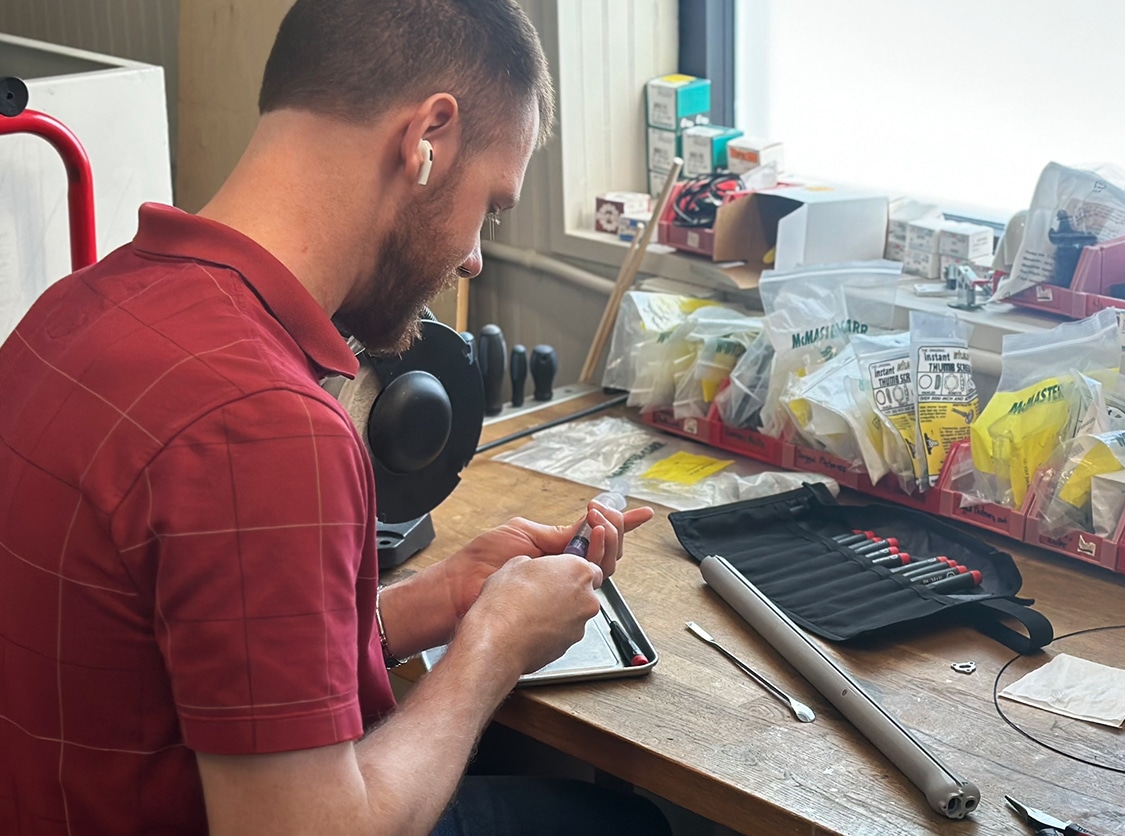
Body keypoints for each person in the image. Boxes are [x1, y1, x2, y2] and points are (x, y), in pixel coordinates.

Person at [0, 1, 670, 833]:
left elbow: (192, 665)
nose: (472, 256)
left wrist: (439, 600)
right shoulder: (263, 424)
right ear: (429, 137)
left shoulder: (67, 313)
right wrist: (493, 647)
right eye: (491, 207)